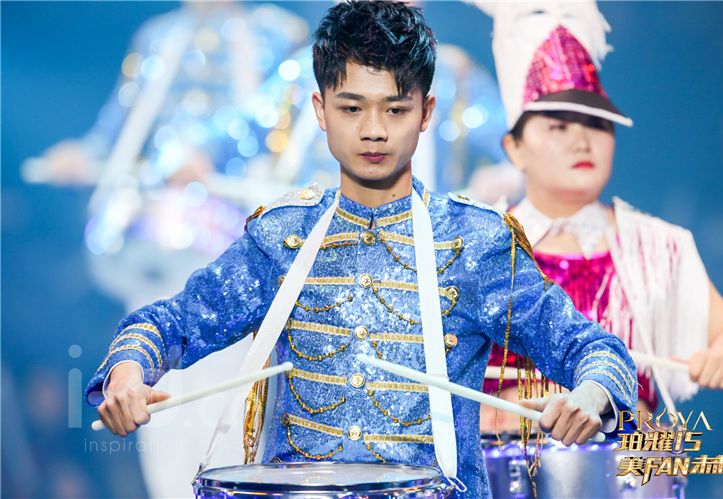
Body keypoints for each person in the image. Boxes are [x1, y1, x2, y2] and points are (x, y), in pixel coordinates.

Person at [86, 2, 636, 496]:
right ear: (320, 110)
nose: (374, 130)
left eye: (395, 110)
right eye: (352, 109)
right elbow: (170, 322)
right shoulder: (282, 237)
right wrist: (128, 371)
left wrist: (592, 395)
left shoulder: (475, 242)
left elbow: (596, 350)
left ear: (426, 112)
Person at [474, 1, 723, 434]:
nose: (581, 140)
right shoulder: (480, 243)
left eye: (597, 124)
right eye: (558, 126)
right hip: (504, 461)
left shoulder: (656, 246)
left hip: (628, 464)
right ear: (515, 147)